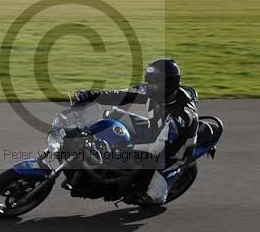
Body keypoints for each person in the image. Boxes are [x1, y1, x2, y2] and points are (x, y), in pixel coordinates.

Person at [73, 57, 198, 204]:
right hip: (154, 128)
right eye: (149, 80)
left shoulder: (180, 116)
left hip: (171, 152)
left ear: (169, 84)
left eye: (155, 82)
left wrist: (125, 148)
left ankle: (160, 183)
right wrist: (92, 95)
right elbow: (122, 95)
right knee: (113, 114)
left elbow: (156, 148)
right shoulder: (154, 92)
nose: (149, 86)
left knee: (150, 199)